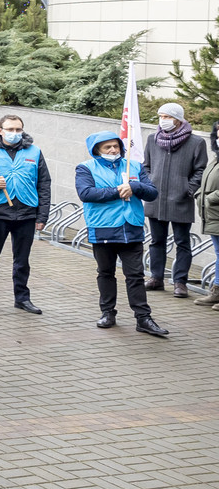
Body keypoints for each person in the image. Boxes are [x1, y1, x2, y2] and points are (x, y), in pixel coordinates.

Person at [75, 131, 168, 336]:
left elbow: (152, 192)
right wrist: (117, 191)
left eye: (115, 146)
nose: (113, 150)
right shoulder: (86, 168)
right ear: (96, 150)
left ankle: (143, 318)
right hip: (103, 227)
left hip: (131, 227)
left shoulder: (134, 166)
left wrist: (134, 186)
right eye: (107, 147)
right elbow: (86, 193)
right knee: (106, 272)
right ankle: (108, 312)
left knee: (135, 275)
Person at [0, 113, 51, 315]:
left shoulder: (34, 152)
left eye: (18, 129)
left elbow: (44, 184)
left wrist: (42, 216)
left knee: (22, 260)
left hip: (26, 213)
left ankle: (22, 298)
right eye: (10, 129)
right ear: (0, 131)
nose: (14, 133)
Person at [143, 101, 208, 297]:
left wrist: (188, 189)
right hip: (155, 199)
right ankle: (156, 278)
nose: (163, 120)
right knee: (156, 241)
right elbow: (146, 166)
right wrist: (150, 184)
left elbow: (200, 170)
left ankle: (180, 282)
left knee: (182, 242)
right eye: (161, 116)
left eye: (167, 117)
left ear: (178, 119)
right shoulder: (153, 139)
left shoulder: (196, 142)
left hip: (181, 200)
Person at [198, 120, 219, 308]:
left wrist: (210, 198)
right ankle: (217, 291)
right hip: (213, 215)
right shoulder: (216, 158)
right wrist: (200, 194)